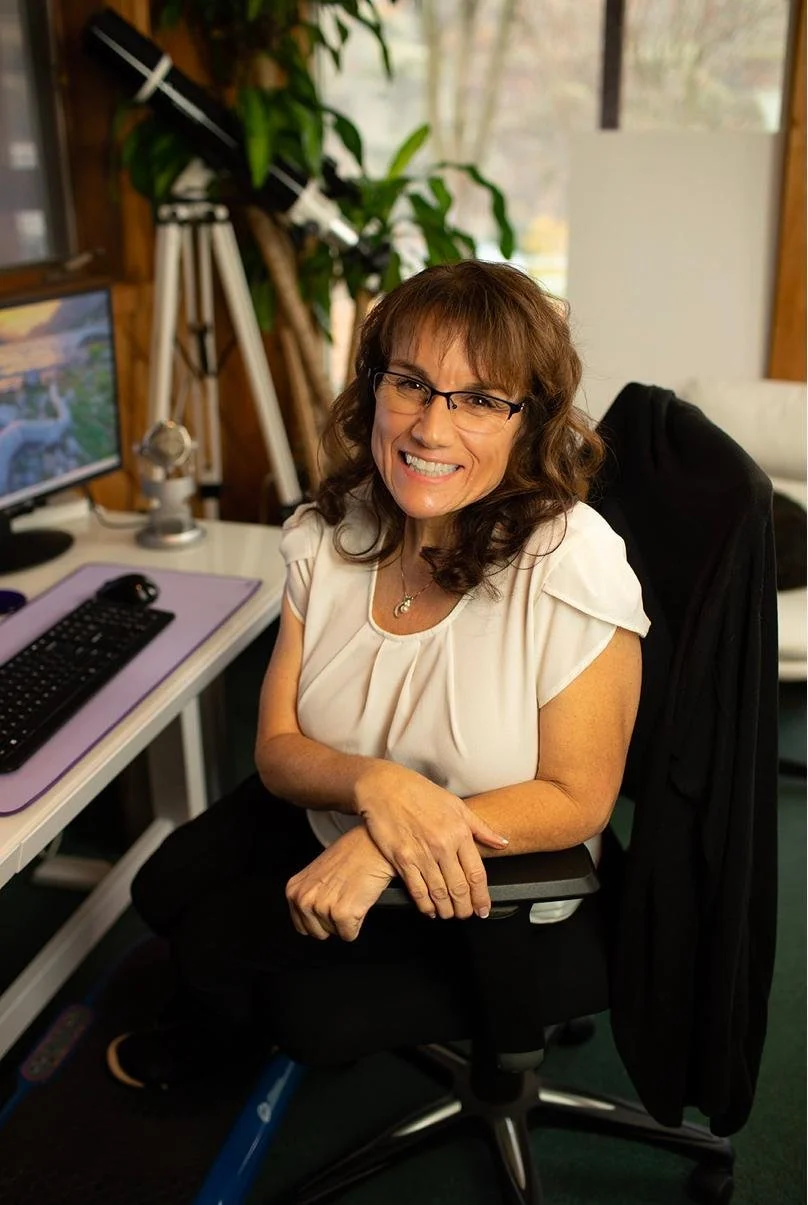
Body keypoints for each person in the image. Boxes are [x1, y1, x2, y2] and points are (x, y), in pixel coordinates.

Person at [107, 260, 650, 1092]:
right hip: (349, 805)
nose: (431, 428)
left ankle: (221, 1050)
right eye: (413, 383)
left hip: (484, 885)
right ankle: (222, 1004)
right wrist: (376, 786)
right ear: (375, 387)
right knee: (159, 887)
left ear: (528, 421)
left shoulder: (573, 564)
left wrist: (386, 849)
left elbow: (578, 798)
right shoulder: (332, 530)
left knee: (222, 947)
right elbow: (279, 748)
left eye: (478, 399)